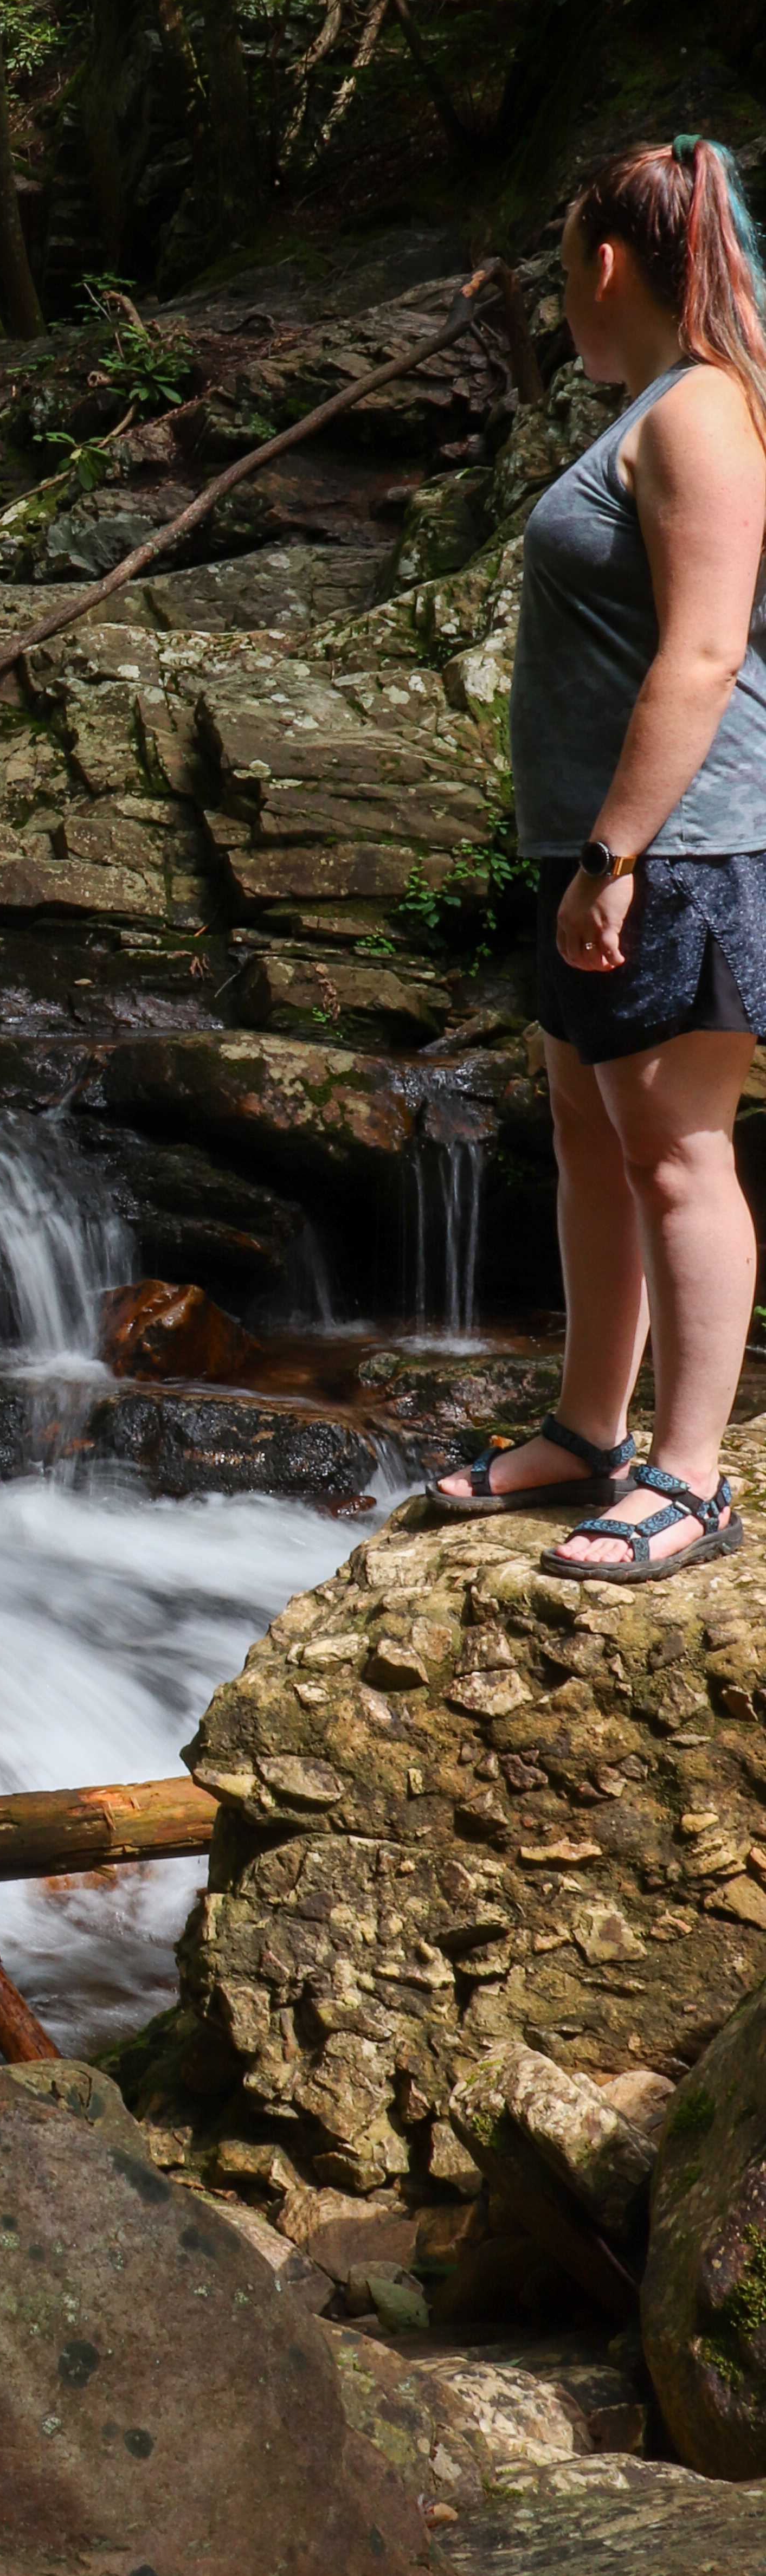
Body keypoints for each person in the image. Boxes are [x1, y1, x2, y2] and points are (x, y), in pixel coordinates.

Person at [430, 134, 766, 1582]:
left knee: (679, 1156)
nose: (565, 294)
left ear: (606, 265)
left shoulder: (698, 415)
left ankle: (692, 1481)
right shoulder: (652, 409)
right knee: (587, 1140)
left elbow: (702, 653)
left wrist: (618, 854)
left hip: (681, 846)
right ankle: (589, 1429)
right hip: (608, 846)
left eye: (565, 266)